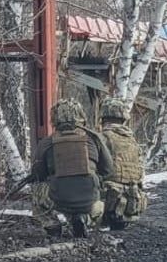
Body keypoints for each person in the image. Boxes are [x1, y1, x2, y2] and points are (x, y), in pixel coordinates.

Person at [30, 99, 114, 237]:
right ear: (81, 115)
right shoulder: (94, 138)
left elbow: (37, 174)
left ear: (54, 118)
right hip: (89, 198)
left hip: (59, 198)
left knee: (37, 189)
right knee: (100, 190)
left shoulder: (46, 142)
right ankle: (86, 219)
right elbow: (108, 170)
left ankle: (52, 225)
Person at [98, 97, 147, 230]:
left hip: (109, 199)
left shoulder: (102, 137)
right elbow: (141, 174)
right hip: (132, 200)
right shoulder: (132, 140)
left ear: (103, 118)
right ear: (124, 119)